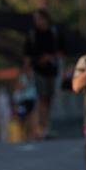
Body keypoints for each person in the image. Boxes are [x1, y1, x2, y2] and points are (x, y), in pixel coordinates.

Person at [22, 9, 63, 140]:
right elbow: (27, 55)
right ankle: (39, 128)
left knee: (49, 100)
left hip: (52, 71)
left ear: (46, 18)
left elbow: (62, 52)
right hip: (38, 72)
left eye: (39, 18)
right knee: (41, 99)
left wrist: (50, 57)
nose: (37, 21)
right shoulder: (32, 34)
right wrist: (27, 70)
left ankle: (45, 126)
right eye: (35, 19)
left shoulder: (54, 32)